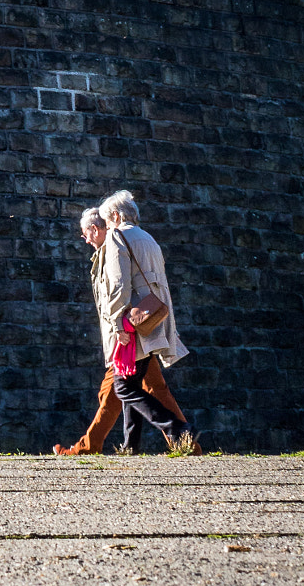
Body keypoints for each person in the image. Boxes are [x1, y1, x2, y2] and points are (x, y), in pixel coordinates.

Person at [54, 193, 198, 455]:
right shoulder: (148, 238)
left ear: (115, 217)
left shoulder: (117, 237)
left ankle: (180, 433)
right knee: (136, 387)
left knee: (124, 387)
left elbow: (119, 286)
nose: (106, 227)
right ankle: (131, 445)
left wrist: (119, 326)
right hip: (149, 321)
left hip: (131, 325)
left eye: (107, 221)